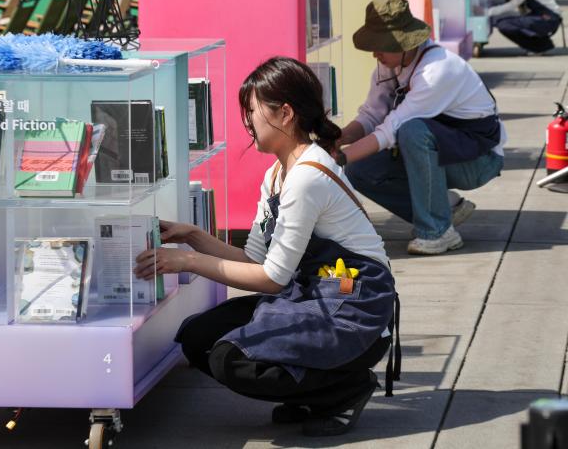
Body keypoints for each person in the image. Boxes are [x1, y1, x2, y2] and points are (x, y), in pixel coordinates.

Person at [135, 57, 399, 437]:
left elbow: (272, 279)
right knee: (197, 339)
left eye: (253, 110)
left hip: (355, 305)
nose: (247, 122)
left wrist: (188, 261)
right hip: (315, 293)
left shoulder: (307, 177)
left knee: (230, 358)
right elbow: (254, 259)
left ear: (285, 113)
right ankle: (309, 390)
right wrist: (191, 234)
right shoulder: (278, 172)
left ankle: (343, 389)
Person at [338, 0, 507, 255]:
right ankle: (446, 208)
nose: (375, 53)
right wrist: (337, 138)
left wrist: (335, 158)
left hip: (479, 160)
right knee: (359, 170)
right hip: (446, 151)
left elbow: (389, 130)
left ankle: (437, 231)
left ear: (405, 43)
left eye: (381, 45)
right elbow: (371, 116)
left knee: (412, 131)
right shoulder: (389, 67)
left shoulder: (435, 71)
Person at [484, 0, 562, 55]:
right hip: (540, 16)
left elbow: (513, 4)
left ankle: (539, 47)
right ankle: (542, 43)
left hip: (549, 19)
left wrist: (486, 12)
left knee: (504, 24)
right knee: (500, 19)